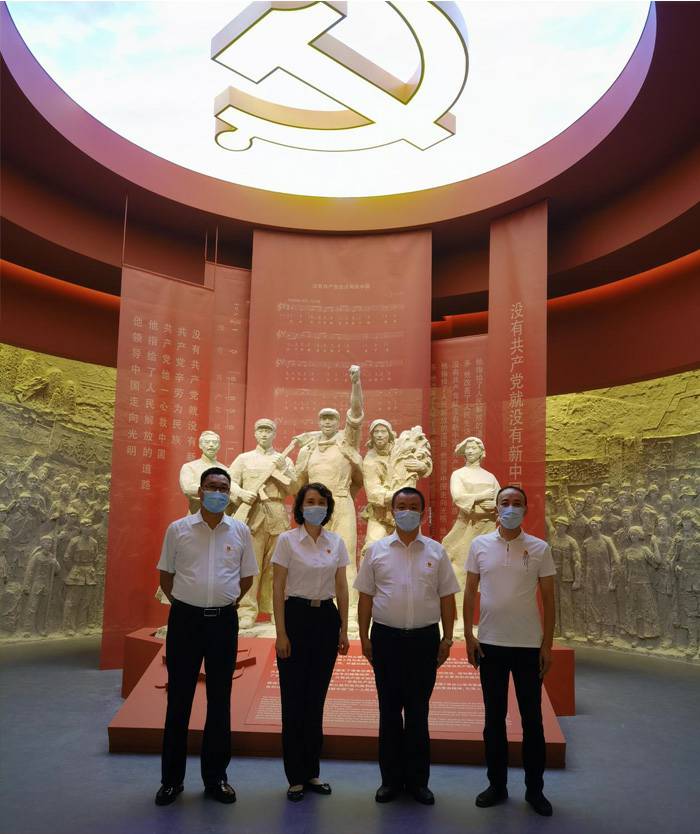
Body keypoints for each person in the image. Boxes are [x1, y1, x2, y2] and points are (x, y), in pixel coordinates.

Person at [155, 467, 258, 806]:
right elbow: (166, 576)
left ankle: (216, 779)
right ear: (200, 491)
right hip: (185, 622)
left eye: (223, 488)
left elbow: (246, 578)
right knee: (179, 700)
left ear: (229, 494)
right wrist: (188, 604)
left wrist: (224, 602)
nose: (217, 493)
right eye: (212, 486)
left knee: (219, 700)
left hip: (222, 623)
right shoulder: (178, 529)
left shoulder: (240, 531)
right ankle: (171, 781)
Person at [356, 487, 459, 806]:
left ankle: (417, 782)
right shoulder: (376, 551)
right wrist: (365, 637)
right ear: (392, 511)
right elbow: (365, 597)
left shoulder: (436, 552)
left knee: (418, 712)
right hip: (386, 639)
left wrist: (447, 638)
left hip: (424, 641)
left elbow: (447, 598)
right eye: (401, 506)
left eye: (414, 507)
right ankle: (389, 781)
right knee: (388, 712)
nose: (407, 512)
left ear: (423, 513)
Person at [464, 486, 556, 817]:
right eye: (505, 503)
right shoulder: (479, 545)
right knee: (493, 719)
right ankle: (497, 785)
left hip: (528, 645)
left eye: (517, 503)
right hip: (490, 644)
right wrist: (468, 636)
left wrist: (547, 644)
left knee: (532, 720)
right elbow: (470, 591)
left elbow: (549, 599)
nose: (511, 508)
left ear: (526, 509)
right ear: (497, 508)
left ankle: (535, 790)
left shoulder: (539, 548)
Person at [271, 482, 350, 801]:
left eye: (321, 502)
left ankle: (312, 771)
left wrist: (344, 629)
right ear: (300, 507)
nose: (316, 506)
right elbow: (277, 588)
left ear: (328, 507)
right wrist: (281, 633)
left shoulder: (336, 542)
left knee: (316, 700)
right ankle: (295, 777)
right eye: (310, 501)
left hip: (326, 620)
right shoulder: (287, 541)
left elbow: (342, 587)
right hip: (295, 617)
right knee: (293, 701)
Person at [294, 365, 364, 602]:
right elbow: (299, 484)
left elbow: (356, 414)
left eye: (332, 418)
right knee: (311, 556)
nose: (327, 422)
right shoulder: (308, 449)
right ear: (318, 422)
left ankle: (350, 610)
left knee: (345, 557)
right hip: (314, 508)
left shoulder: (346, 441)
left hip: (341, 504)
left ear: (338, 422)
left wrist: (356, 383)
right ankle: (313, 604)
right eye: (323, 418)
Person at [229, 418, 297, 629]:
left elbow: (295, 488)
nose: (264, 434)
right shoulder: (244, 459)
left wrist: (284, 469)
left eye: (268, 430)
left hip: (277, 511)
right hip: (253, 513)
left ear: (274, 434)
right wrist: (242, 493)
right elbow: (229, 481)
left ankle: (276, 610)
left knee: (278, 566)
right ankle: (247, 611)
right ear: (255, 433)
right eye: (261, 430)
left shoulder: (284, 460)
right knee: (251, 565)